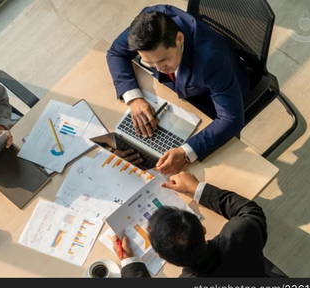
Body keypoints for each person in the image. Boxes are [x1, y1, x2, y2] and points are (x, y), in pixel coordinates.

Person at [107, 5, 249, 175]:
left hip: (212, 97)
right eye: (150, 63)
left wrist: (186, 152)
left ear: (179, 39)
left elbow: (231, 119)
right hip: (179, 89)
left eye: (163, 60)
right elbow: (116, 53)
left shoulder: (212, 60)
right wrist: (134, 98)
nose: (159, 69)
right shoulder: (149, 23)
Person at [113, 171, 269, 277]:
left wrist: (130, 263)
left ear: (163, 257)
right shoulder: (242, 232)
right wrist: (196, 188)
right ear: (202, 228)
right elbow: (249, 209)